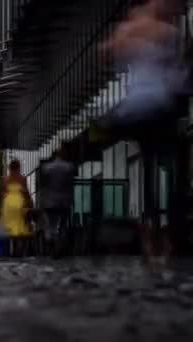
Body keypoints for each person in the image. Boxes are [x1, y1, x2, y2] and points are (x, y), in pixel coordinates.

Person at [98, 0, 185, 267]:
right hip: (160, 106)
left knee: (148, 166)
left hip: (136, 110)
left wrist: (123, 46)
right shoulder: (167, 31)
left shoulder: (128, 29)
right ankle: (166, 229)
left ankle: (149, 226)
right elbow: (177, 73)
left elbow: (105, 51)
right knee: (172, 165)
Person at [39, 148, 75, 258]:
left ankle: (50, 238)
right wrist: (71, 199)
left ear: (53, 156)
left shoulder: (46, 168)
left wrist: (42, 201)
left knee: (51, 224)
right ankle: (59, 246)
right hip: (64, 200)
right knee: (63, 224)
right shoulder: (69, 167)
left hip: (50, 201)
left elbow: (43, 187)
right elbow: (70, 185)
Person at [1, 159, 33, 256]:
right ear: (18, 167)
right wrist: (30, 202)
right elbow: (25, 192)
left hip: (9, 206)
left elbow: (3, 194)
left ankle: (14, 248)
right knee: (20, 228)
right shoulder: (22, 179)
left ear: (10, 168)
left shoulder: (6, 179)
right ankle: (19, 249)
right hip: (19, 204)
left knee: (12, 228)